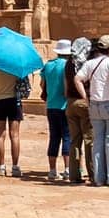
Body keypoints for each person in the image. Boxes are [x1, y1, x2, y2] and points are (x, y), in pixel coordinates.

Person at [75, 34, 109, 188]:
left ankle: (99, 177)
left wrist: (86, 98)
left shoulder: (90, 63)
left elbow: (77, 79)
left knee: (98, 141)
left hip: (95, 105)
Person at [40, 38, 72, 182]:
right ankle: (67, 169)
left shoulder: (48, 65)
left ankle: (52, 170)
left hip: (51, 105)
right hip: (64, 105)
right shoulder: (68, 66)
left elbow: (42, 84)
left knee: (54, 137)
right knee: (67, 136)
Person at [65, 37, 94, 185]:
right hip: (84, 102)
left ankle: (74, 174)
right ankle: (93, 173)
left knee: (75, 140)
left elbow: (65, 85)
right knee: (90, 140)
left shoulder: (69, 64)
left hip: (70, 102)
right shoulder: (86, 64)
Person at [0, 63, 24, 178]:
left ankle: (1, 167)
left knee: (0, 135)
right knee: (15, 135)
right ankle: (15, 167)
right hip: (14, 100)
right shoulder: (17, 63)